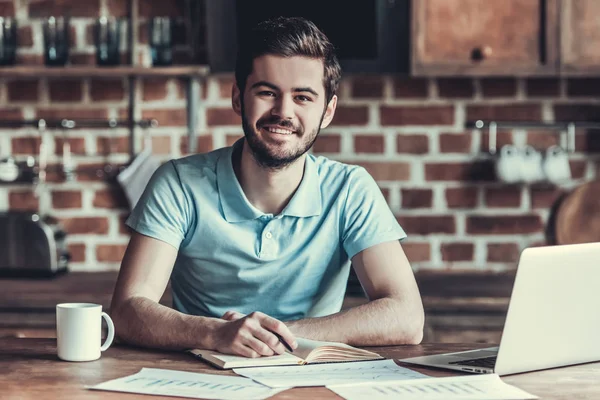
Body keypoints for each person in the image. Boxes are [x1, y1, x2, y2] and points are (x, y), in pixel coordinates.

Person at [110, 16, 424, 358]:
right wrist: (217, 333)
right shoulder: (179, 183)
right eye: (267, 92)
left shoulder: (350, 189)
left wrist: (273, 336)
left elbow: (407, 317)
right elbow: (127, 311)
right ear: (237, 97)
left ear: (328, 111)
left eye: (303, 97)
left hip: (311, 378)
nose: (283, 112)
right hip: (200, 378)